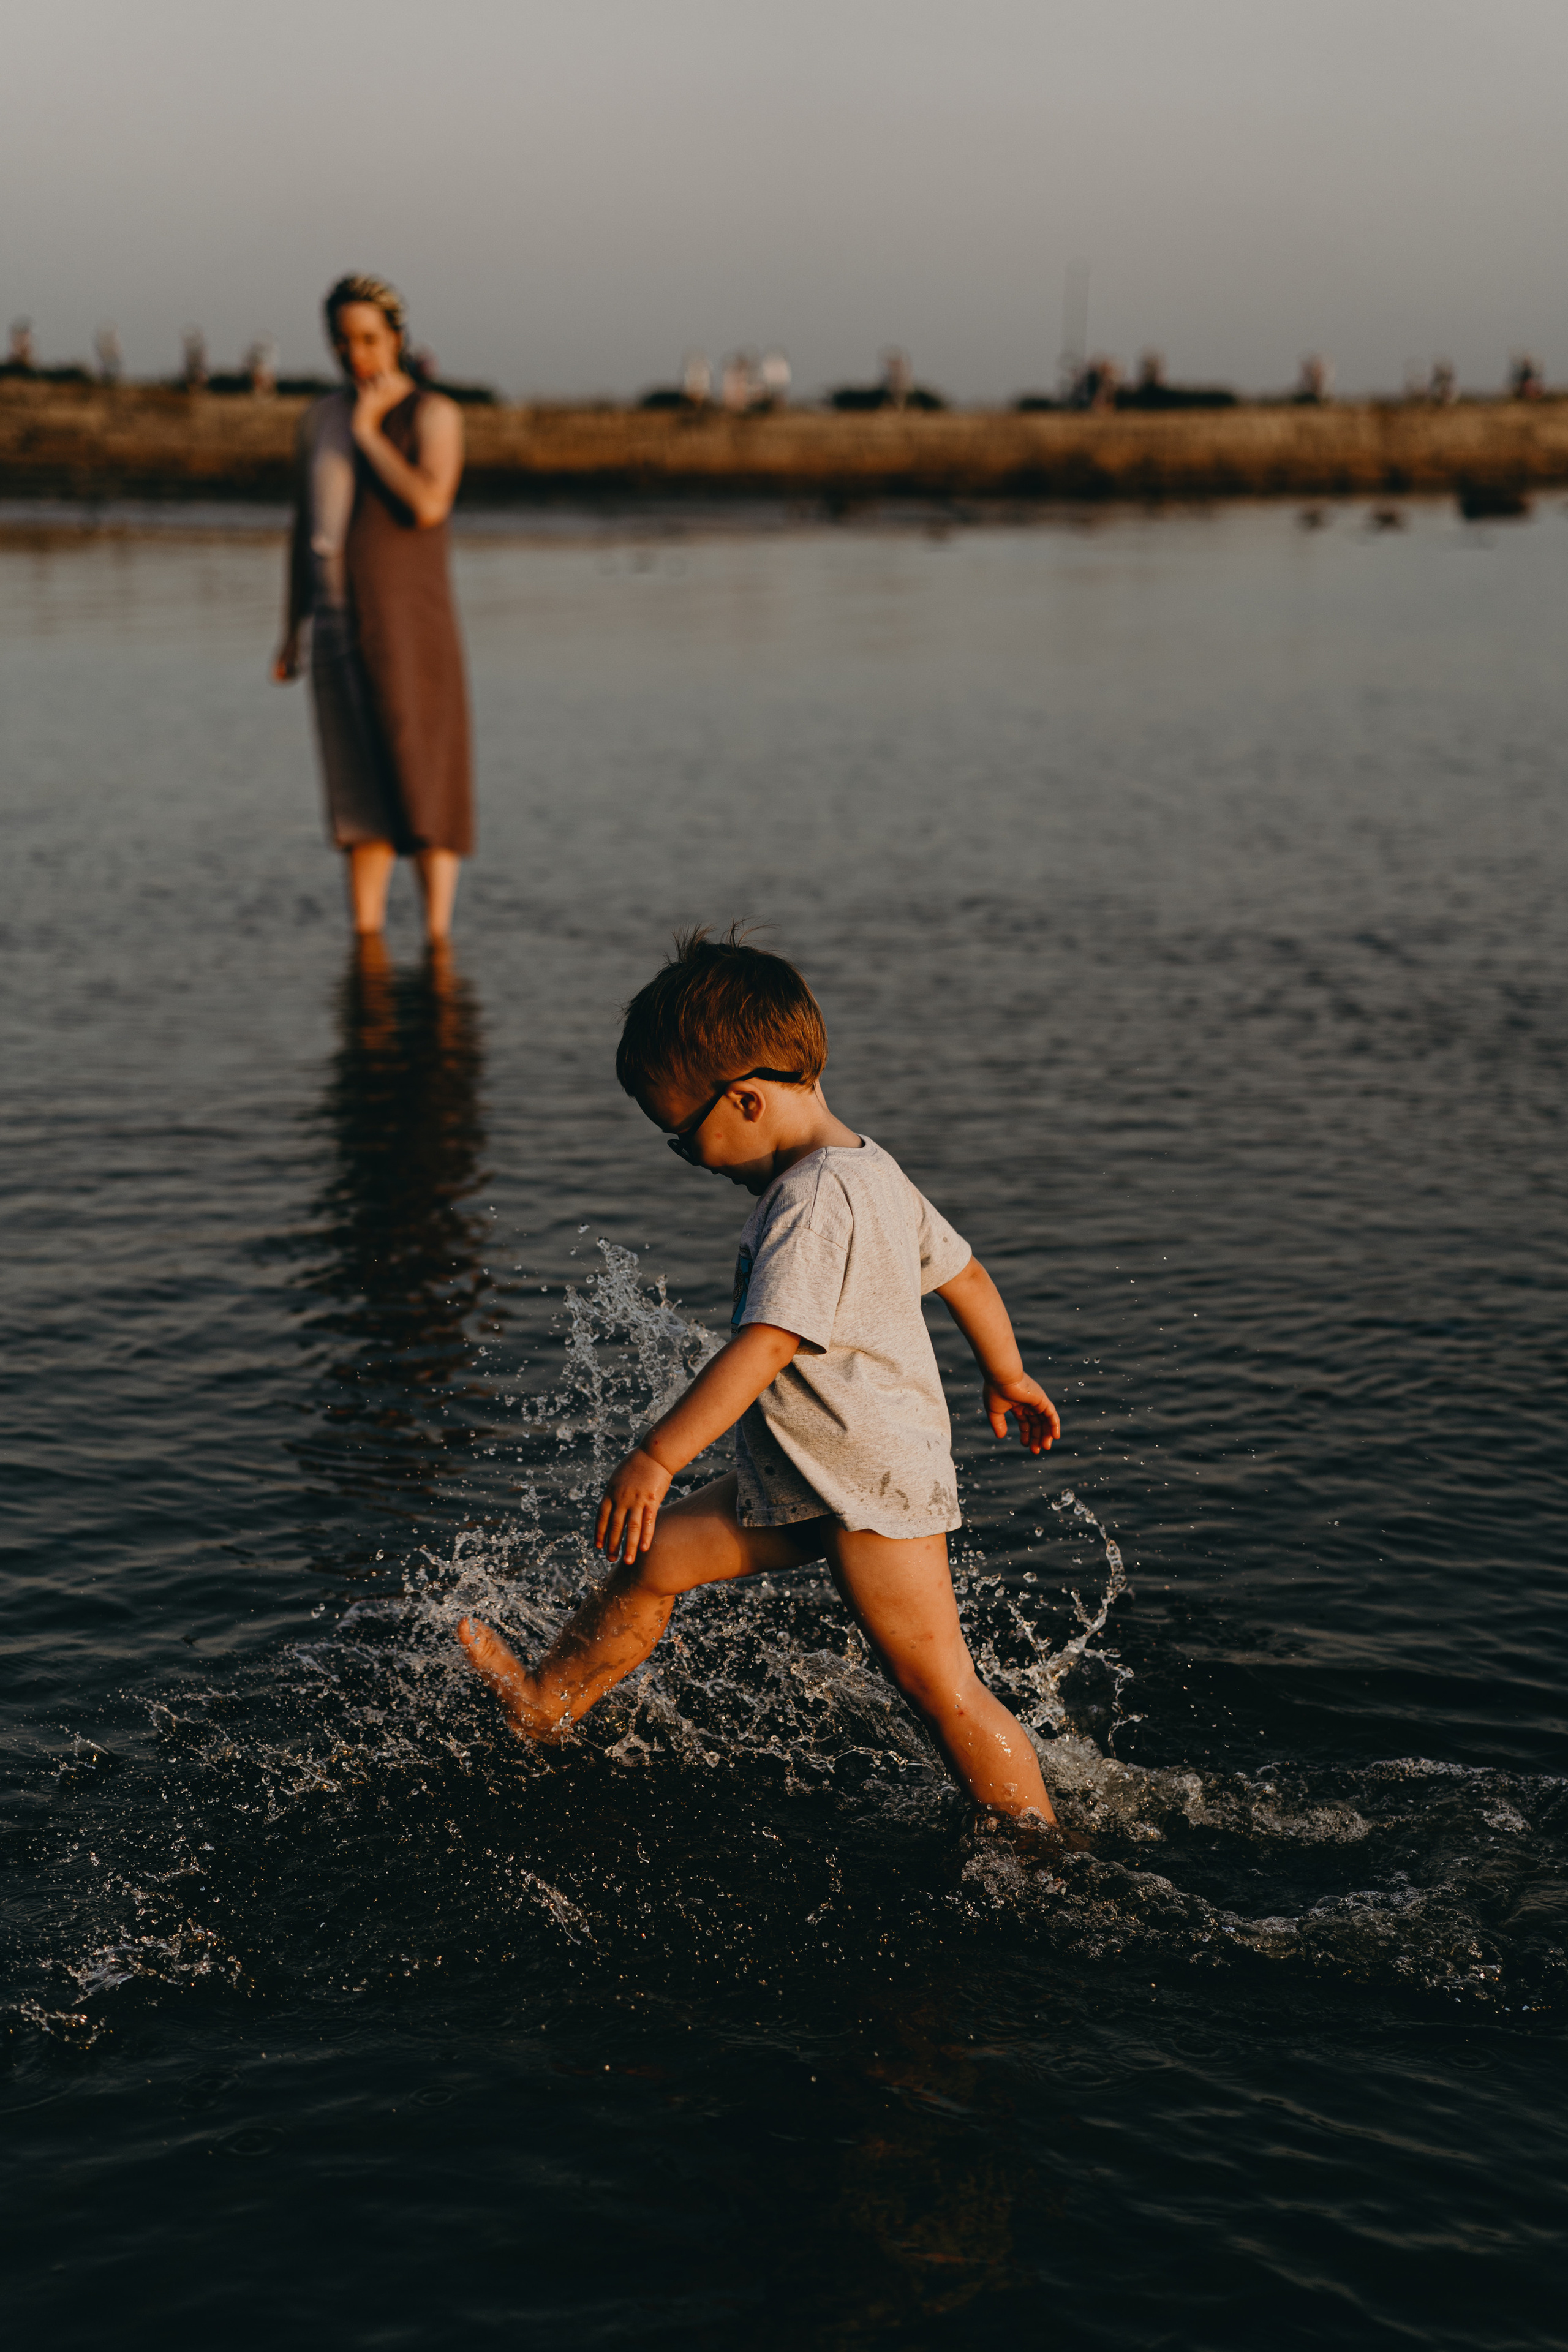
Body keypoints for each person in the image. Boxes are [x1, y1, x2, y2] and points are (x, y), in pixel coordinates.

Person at [458, 929, 1067, 1829]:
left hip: (864, 1483)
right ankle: (549, 1702)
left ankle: (1038, 1848)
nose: (688, 1160)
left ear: (743, 1100)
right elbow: (966, 1275)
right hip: (808, 1468)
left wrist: (656, 1456)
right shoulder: (873, 1169)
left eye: (680, 1138)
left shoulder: (813, 1201)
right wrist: (1008, 1375)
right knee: (653, 1561)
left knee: (937, 1685)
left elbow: (765, 1347)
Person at [273, 272, 473, 944]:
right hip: (332, 626)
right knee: (356, 796)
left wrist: (368, 430)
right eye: (342, 340)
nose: (354, 353)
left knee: (423, 780)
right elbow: (303, 528)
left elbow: (427, 504)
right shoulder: (316, 418)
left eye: (367, 338)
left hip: (409, 629)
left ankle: (438, 941)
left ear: (395, 339)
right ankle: (367, 944)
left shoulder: (434, 414)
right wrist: (290, 631)